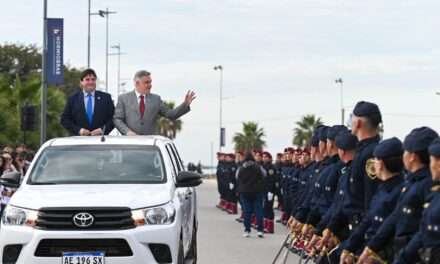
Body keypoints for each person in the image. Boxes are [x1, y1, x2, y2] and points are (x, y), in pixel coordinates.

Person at [358, 127, 438, 263]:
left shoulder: (426, 186)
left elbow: (423, 232)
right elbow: (394, 218)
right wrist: (371, 247)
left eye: (405, 152)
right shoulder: (410, 184)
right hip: (401, 252)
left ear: (412, 157)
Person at [339, 137, 405, 264]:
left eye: (376, 159)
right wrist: (349, 248)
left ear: (381, 164)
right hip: (368, 251)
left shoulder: (400, 191)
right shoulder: (382, 188)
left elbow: (389, 231)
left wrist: (372, 254)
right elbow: (367, 221)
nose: (373, 163)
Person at [113, 70, 196, 136]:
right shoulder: (123, 98)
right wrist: (127, 132)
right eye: (146, 82)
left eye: (150, 82)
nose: (150, 85)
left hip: (150, 145)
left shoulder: (156, 99)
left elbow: (171, 114)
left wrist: (185, 104)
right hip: (130, 144)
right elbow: (117, 119)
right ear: (137, 83)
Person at [61, 68, 115, 135]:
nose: (91, 82)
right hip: (79, 140)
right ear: (81, 82)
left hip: (101, 140)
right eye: (87, 79)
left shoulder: (106, 98)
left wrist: (102, 130)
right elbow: (65, 119)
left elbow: (113, 119)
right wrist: (79, 130)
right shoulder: (72, 99)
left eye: (93, 79)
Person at [236, 152, 266, 238]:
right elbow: (264, 175)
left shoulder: (241, 168)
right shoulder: (258, 167)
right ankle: (260, 230)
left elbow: (237, 177)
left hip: (245, 192)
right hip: (257, 192)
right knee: (259, 211)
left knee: (247, 211)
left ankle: (247, 230)